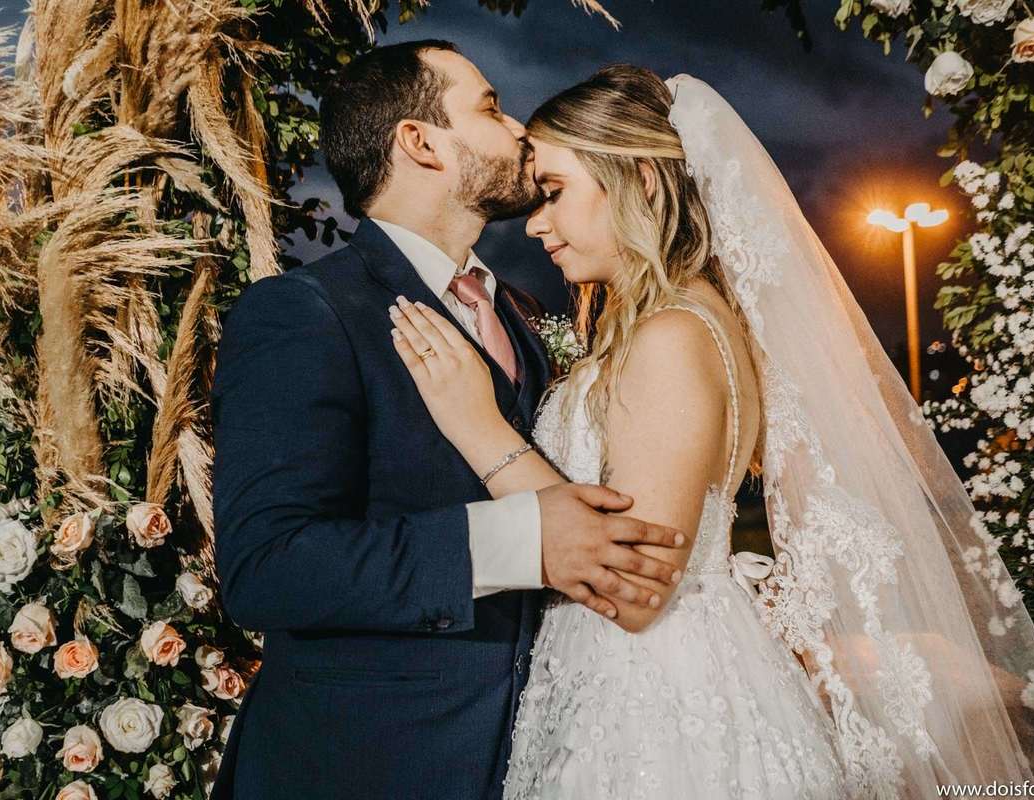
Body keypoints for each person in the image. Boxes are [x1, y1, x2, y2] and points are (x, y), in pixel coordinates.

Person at [388, 65, 1034, 798]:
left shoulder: (672, 335)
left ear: (645, 184)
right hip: (612, 685)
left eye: (556, 192)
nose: (536, 223)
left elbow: (635, 589)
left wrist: (478, 430)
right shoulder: (665, 325)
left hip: (655, 712)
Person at [207, 43, 688, 799]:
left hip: (545, 752)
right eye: (491, 108)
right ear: (420, 142)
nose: (520, 130)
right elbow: (268, 565)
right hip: (369, 766)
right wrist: (525, 540)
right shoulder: (307, 312)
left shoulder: (522, 316)